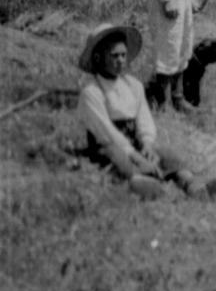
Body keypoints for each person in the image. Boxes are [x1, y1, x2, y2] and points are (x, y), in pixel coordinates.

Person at [77, 22, 200, 198]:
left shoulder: (133, 85)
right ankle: (145, 185)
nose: (120, 61)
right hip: (107, 146)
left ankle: (190, 183)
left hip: (135, 144)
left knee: (165, 153)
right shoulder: (92, 91)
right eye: (114, 56)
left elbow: (144, 119)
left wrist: (147, 145)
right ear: (98, 58)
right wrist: (135, 157)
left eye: (123, 55)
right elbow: (106, 131)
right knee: (117, 158)